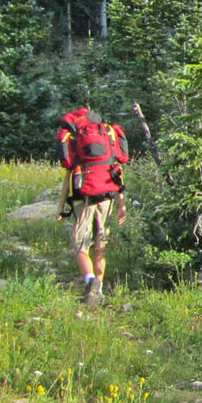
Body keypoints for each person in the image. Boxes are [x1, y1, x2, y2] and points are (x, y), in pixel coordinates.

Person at [55, 105, 131, 305]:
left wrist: (61, 207)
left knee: (81, 245)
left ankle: (90, 284)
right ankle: (99, 285)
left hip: (83, 198)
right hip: (107, 195)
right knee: (100, 244)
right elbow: (118, 171)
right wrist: (122, 205)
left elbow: (67, 178)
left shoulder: (76, 141)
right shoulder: (107, 136)